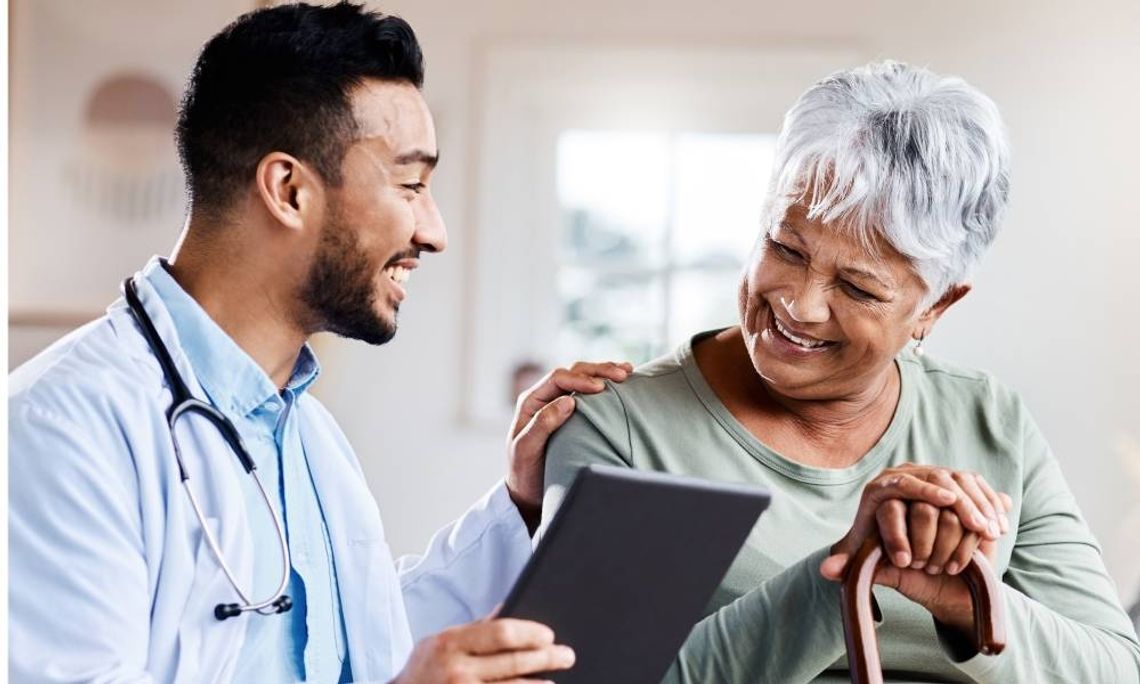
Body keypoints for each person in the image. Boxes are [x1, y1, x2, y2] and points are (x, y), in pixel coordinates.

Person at [8, 4, 634, 682]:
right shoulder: (58, 427)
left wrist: (519, 503)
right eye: (411, 185)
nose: (434, 231)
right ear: (289, 191)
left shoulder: (305, 431)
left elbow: (360, 648)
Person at [543, 61, 1140, 682]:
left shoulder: (988, 419)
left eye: (857, 288)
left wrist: (963, 599)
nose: (799, 304)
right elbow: (589, 678)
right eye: (785, 247)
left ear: (935, 307)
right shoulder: (621, 425)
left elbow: (1116, 670)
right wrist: (842, 575)